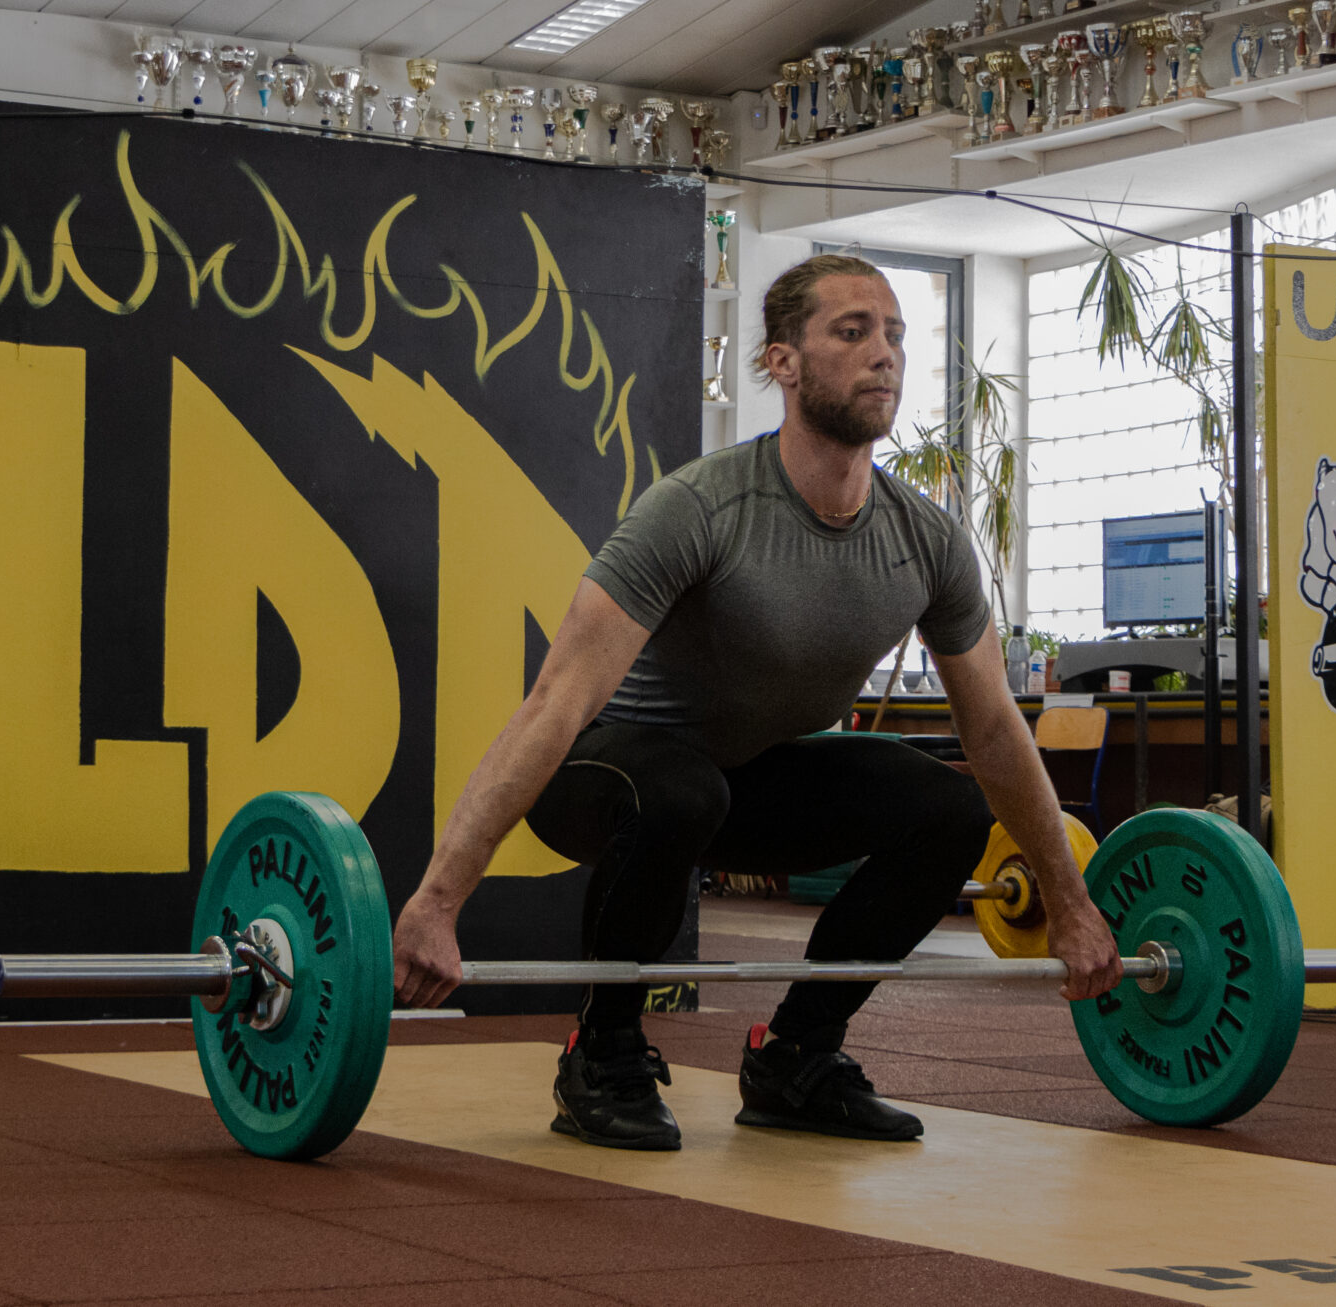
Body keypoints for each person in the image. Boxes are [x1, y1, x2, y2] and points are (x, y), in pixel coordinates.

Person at [391, 253, 1120, 1150]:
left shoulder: (925, 540)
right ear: (784, 362)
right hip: (607, 772)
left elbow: (997, 731)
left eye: (895, 334)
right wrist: (437, 900)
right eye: (852, 331)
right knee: (680, 788)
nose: (884, 353)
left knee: (948, 806)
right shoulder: (701, 509)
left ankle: (797, 1057)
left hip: (745, 781)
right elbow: (556, 702)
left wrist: (1069, 900)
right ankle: (601, 1053)